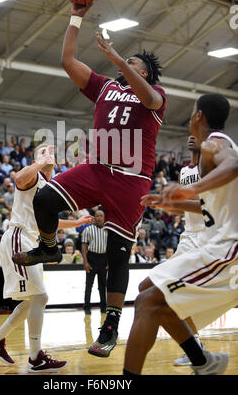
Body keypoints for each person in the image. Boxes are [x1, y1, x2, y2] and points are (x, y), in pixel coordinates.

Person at [12, 2, 166, 358]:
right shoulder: (104, 88)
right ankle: (49, 246)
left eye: (135, 64)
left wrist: (117, 58)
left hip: (131, 180)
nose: (128, 65)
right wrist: (76, 15)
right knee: (45, 199)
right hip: (97, 169)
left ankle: (109, 328)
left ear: (144, 73)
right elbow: (68, 60)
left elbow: (150, 95)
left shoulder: (155, 98)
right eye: (127, 63)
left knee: (118, 254)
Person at [123, 93, 238, 376]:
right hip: (215, 245)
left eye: (191, 112)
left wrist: (190, 188)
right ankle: (203, 362)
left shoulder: (215, 143)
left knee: (147, 302)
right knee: (147, 288)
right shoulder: (211, 149)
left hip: (228, 249)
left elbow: (235, 165)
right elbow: (208, 206)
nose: (190, 118)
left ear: (199, 116)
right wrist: (172, 204)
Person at [0, 144, 93, 372]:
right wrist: (41, 161)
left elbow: (49, 223)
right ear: (38, 159)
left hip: (32, 241)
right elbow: (19, 178)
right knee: (40, 296)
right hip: (19, 238)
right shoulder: (33, 177)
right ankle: (35, 358)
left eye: (52, 153)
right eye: (46, 152)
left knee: (33, 299)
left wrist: (77, 223)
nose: (51, 155)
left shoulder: (49, 187)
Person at [140, 135, 207, 366]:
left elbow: (206, 207)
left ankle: (197, 350)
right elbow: (184, 212)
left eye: (198, 133)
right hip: (188, 237)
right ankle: (195, 346)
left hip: (210, 237)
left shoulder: (212, 168)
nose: (191, 137)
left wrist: (170, 201)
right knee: (165, 291)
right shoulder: (184, 171)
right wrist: (163, 205)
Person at [81, 210, 108, 315]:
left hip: (104, 258)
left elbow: (110, 247)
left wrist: (108, 260)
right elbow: (84, 247)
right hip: (92, 257)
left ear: (104, 218)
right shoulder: (88, 230)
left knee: (102, 285)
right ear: (94, 218)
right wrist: (86, 262)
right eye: (97, 216)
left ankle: (103, 307)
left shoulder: (108, 230)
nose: (99, 218)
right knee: (89, 285)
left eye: (101, 216)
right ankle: (87, 306)